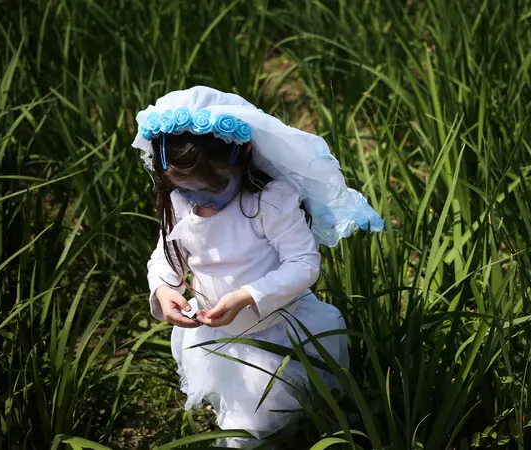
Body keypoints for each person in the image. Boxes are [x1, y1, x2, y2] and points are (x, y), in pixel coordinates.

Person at [132, 86, 384, 448]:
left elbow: (305, 263)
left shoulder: (269, 202)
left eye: (215, 187)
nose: (201, 200)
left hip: (275, 331)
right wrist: (163, 287)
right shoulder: (179, 203)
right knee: (240, 410)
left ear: (244, 153)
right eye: (188, 190)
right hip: (216, 333)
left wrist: (247, 295)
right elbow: (165, 256)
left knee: (258, 420)